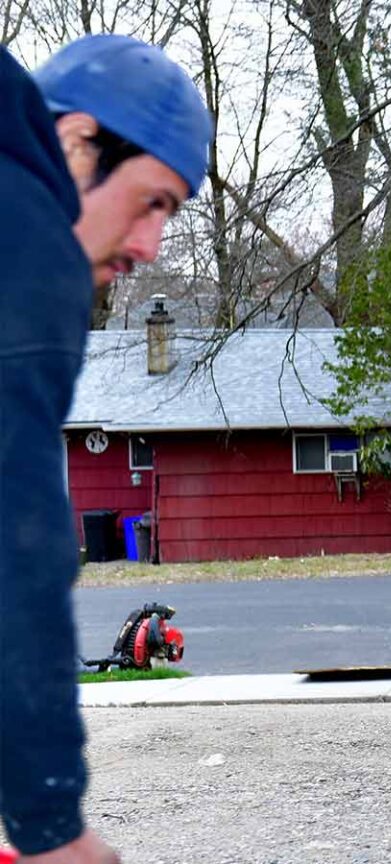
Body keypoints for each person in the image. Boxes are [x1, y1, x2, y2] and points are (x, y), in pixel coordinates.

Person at [0, 35, 211, 864]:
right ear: (76, 141)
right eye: (153, 202)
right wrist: (52, 824)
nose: (152, 247)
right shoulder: (28, 235)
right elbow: (15, 542)